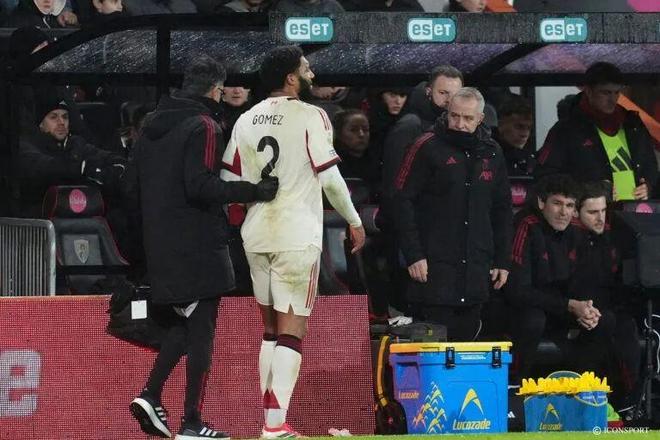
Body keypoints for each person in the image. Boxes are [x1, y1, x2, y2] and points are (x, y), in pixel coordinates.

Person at [127, 55, 278, 440]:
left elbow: (132, 187)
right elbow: (201, 185)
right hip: (197, 244)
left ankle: (150, 394)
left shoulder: (150, 125)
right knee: (202, 331)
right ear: (216, 90)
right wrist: (254, 191)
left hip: (159, 243)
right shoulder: (205, 125)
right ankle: (192, 421)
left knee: (185, 324)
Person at [220, 45, 365, 438]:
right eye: (306, 69)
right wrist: (354, 221)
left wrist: (241, 214)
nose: (311, 74)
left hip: (256, 234)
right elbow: (330, 178)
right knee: (291, 330)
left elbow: (229, 181)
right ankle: (275, 426)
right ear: (290, 78)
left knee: (270, 330)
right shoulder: (311, 115)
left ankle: (269, 423)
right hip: (296, 234)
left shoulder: (246, 118)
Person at [393, 87, 513, 341]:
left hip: (476, 266)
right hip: (433, 266)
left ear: (480, 119)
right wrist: (414, 254)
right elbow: (402, 201)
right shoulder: (425, 146)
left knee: (468, 343)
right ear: (447, 113)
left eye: (468, 118)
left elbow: (502, 209)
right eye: (454, 116)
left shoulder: (492, 151)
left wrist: (503, 260)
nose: (460, 124)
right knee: (435, 346)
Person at [504, 175, 614, 383]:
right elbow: (517, 290)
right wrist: (569, 305)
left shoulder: (576, 231)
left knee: (603, 319)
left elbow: (584, 280)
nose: (564, 212)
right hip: (523, 307)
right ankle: (514, 386)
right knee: (533, 320)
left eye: (570, 205)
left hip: (560, 307)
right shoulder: (526, 225)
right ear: (541, 202)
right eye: (557, 203)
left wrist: (586, 308)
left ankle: (580, 386)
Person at [536, 62, 658, 201]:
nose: (612, 99)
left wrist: (648, 186)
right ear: (588, 91)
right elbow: (546, 177)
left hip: (634, 209)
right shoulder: (566, 130)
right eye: (605, 92)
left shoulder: (633, 124)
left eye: (616, 92)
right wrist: (589, 190)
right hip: (587, 211)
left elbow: (651, 165)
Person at [573, 182, 640, 411]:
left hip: (607, 308)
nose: (600, 218)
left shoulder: (613, 238)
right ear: (576, 213)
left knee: (626, 325)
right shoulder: (570, 239)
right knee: (604, 324)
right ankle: (589, 402)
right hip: (574, 309)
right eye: (593, 212)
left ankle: (630, 402)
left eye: (603, 211)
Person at [14, 98, 125, 218]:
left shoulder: (76, 144)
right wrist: (82, 168)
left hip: (79, 216)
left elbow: (113, 159)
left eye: (65, 117)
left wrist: (113, 169)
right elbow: (45, 166)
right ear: (41, 124)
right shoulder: (26, 146)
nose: (61, 122)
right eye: (53, 117)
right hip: (40, 218)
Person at [492, 95, 535, 177]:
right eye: (519, 127)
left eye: (529, 128)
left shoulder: (529, 157)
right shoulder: (486, 156)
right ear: (501, 124)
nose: (525, 134)